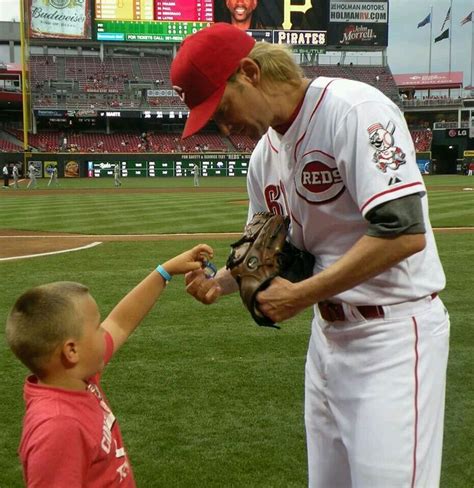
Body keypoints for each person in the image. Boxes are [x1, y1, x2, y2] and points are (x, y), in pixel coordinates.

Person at [171, 23, 450, 487]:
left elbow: (403, 232)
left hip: (395, 338)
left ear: (250, 72)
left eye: (222, 109)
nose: (224, 127)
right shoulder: (264, 156)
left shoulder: (355, 110)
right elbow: (273, 246)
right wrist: (222, 280)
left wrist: (301, 294)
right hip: (327, 343)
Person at [5, 244, 213, 487]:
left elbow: (121, 322)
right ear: (71, 351)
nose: (103, 330)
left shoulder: (77, 378)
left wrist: (165, 271)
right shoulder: (57, 428)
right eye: (95, 327)